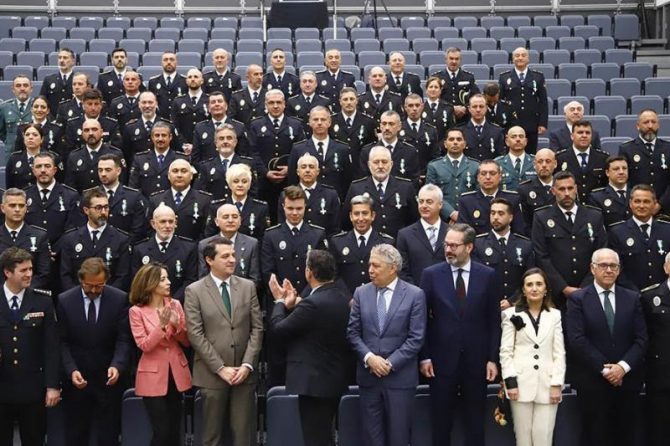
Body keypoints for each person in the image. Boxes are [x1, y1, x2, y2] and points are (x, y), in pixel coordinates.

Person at [420, 223, 501, 446]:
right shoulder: (431, 275)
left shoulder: (487, 275)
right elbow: (422, 320)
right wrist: (425, 356)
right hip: (440, 362)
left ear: (469, 247)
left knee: (475, 423)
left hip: (476, 362)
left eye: (454, 246)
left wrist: (492, 359)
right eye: (447, 244)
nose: (449, 250)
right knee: (441, 423)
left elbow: (494, 321)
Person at [184, 237, 263, 446]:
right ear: (209, 260)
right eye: (225, 256)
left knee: (244, 436)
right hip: (212, 375)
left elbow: (257, 329)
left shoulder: (247, 287)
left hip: (243, 374)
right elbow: (195, 334)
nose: (232, 260)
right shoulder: (195, 291)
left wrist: (247, 365)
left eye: (234, 255)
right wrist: (220, 368)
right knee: (212, 436)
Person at [566, 248, 648, 446]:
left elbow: (641, 339)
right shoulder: (578, 299)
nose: (609, 270)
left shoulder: (632, 298)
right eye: (603, 265)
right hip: (593, 382)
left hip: (627, 383)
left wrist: (622, 368)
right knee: (595, 437)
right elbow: (577, 339)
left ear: (619, 270)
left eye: (613, 266)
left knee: (626, 436)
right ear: (592, 269)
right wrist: (606, 370)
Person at [269, 249, 351, 446]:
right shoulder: (340, 297)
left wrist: (279, 302)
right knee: (324, 436)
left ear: (309, 272)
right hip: (333, 379)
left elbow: (279, 329)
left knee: (316, 438)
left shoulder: (313, 303)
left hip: (314, 383)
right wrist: (297, 302)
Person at [347, 244, 426, 446]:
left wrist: (390, 363)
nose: (370, 270)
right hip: (369, 379)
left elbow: (416, 338)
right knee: (371, 438)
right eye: (369, 265)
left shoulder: (414, 295)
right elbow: (353, 333)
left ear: (392, 268)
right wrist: (369, 358)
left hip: (400, 380)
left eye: (376, 265)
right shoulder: (360, 293)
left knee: (399, 437)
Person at [56, 257, 132, 446]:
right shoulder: (65, 300)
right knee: (76, 434)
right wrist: (71, 370)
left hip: (108, 380)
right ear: (81, 280)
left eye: (99, 286)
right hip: (77, 380)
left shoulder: (119, 298)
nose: (94, 290)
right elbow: (62, 342)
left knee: (108, 435)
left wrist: (117, 365)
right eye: (89, 285)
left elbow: (123, 339)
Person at [0, 247, 60, 446]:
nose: (29, 274)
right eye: (23, 270)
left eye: (31, 269)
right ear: (8, 273)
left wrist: (52, 386)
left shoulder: (42, 301)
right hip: (2, 385)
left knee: (34, 439)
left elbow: (51, 347)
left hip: (32, 388)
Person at [500, 268, 566, 446]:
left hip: (548, 384)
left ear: (546, 289)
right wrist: (511, 383)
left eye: (539, 284)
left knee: (543, 438)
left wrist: (556, 384)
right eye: (529, 285)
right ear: (523, 289)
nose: (534, 288)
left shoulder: (555, 316)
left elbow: (559, 353)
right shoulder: (510, 314)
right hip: (520, 385)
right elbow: (506, 352)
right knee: (523, 439)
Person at [129, 262, 192, 446]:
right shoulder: (136, 311)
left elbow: (186, 341)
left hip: (176, 373)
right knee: (161, 430)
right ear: (150, 283)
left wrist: (177, 325)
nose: (169, 282)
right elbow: (144, 345)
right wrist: (162, 326)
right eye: (163, 279)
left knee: (174, 431)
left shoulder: (175, 304)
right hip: (152, 376)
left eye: (167, 278)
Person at [531, 170, 608, 310]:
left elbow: (601, 251)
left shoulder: (594, 216)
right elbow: (541, 256)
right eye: (561, 189)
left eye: (570, 188)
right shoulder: (542, 217)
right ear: (553, 191)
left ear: (576, 189)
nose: (566, 193)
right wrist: (563, 287)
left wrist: (585, 286)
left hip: (589, 289)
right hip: (556, 293)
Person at [58, 188, 131, 291]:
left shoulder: (121, 239)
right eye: (98, 208)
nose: (103, 212)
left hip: (109, 298)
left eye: (106, 207)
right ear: (86, 210)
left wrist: (105, 295)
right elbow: (66, 275)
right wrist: (79, 296)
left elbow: (122, 277)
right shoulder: (71, 239)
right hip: (78, 298)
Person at [343, 146, 418, 238]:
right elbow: (346, 222)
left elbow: (414, 220)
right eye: (376, 162)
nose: (380, 166)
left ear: (391, 164)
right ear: (369, 164)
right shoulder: (356, 188)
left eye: (384, 162)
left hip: (398, 244)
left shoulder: (405, 187)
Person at [472, 197, 535, 309]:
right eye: (493, 213)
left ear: (510, 217)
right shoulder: (478, 244)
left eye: (501, 213)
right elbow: (476, 279)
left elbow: (529, 277)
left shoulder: (525, 244)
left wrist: (512, 301)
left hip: (518, 306)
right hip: (487, 306)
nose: (495, 217)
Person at [608, 184, 670, 291]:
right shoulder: (617, 232)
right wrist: (634, 293)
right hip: (631, 296)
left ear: (654, 204)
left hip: (664, 297)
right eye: (637, 201)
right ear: (630, 203)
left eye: (646, 201)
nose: (641, 206)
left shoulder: (667, 230)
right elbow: (617, 268)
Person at [329, 194, 395, 294]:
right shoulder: (337, 242)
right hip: (347, 301)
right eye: (356, 214)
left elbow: (391, 275)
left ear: (373, 216)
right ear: (351, 216)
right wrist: (347, 298)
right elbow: (333, 275)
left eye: (365, 213)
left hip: (377, 298)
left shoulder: (386, 242)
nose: (360, 218)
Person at [132, 205, 198, 303]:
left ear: (176, 223)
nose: (167, 226)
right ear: (153, 224)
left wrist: (172, 301)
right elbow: (138, 281)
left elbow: (190, 280)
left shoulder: (188, 248)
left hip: (178, 303)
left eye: (171, 222)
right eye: (163, 221)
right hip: (149, 303)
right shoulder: (140, 249)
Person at [287, 106, 352, 199]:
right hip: (306, 202)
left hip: (334, 202)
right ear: (309, 122)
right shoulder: (298, 149)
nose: (319, 123)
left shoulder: (342, 149)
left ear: (329, 122)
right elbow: (292, 180)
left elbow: (347, 180)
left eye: (323, 119)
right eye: (315, 119)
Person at [640, 253, 670, 446]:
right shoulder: (650, 297)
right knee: (658, 432)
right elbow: (643, 337)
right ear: (666, 268)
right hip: (660, 378)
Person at [619, 109, 670, 212]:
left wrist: (660, 204)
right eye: (646, 122)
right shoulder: (627, 149)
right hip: (637, 208)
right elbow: (624, 180)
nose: (650, 126)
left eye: (653, 122)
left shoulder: (668, 148)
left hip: (665, 208)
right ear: (638, 126)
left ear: (658, 125)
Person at [148, 158, 212, 241]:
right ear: (168, 175)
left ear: (191, 175)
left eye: (184, 171)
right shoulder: (155, 199)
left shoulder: (204, 200)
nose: (179, 175)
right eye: (175, 171)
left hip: (193, 250)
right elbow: (149, 230)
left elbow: (207, 232)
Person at [498, 47, 548, 154]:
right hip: (510, 123)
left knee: (531, 153)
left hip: (531, 122)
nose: (520, 58)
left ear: (528, 59)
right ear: (512, 59)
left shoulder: (538, 77)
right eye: (517, 56)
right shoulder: (504, 77)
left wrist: (542, 123)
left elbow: (543, 101)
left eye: (523, 55)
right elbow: (501, 102)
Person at [457, 159, 526, 236]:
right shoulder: (467, 201)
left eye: (492, 173)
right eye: (483, 174)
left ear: (500, 177)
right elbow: (463, 234)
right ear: (478, 178)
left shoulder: (512, 199)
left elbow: (518, 232)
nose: (488, 177)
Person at [198, 203, 261, 286]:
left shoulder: (252, 244)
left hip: (242, 295)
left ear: (240, 220)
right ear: (216, 221)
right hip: (213, 295)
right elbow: (203, 278)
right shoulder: (205, 245)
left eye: (235, 217)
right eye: (225, 217)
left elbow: (255, 279)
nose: (230, 220)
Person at [0, 187, 51, 289]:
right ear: (2, 208)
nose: (17, 209)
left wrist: (23, 290)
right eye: (12, 205)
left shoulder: (39, 236)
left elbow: (43, 273)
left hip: (29, 294)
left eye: (21, 206)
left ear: (26, 208)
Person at [425, 127, 479, 223]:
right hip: (442, 219)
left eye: (459, 139)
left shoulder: (476, 166)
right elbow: (431, 195)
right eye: (451, 139)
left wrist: (464, 214)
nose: (455, 142)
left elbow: (479, 194)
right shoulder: (434, 166)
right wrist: (451, 213)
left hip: (470, 218)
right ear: (445, 144)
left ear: (464, 144)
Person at [396, 184, 447, 284]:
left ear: (440, 204)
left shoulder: (452, 232)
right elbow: (403, 271)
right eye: (421, 201)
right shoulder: (405, 235)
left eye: (429, 202)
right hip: (416, 294)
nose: (424, 206)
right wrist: (416, 293)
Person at [281, 153, 341, 236]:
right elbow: (282, 226)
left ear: (318, 171)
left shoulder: (330, 194)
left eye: (311, 167)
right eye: (303, 167)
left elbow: (335, 228)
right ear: (297, 172)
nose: (307, 170)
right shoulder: (286, 194)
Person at [194, 122, 257, 201]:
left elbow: (253, 192)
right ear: (216, 143)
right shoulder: (206, 166)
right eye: (221, 138)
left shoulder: (247, 164)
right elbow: (202, 194)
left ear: (235, 142)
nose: (225, 142)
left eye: (229, 138)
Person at [358, 110, 420, 185]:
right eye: (384, 124)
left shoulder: (410, 151)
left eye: (391, 124)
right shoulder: (368, 151)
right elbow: (364, 181)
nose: (387, 128)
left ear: (399, 126)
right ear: (380, 126)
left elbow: (413, 181)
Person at [128, 121, 189, 198]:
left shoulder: (181, 159)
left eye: (163, 135)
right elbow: (133, 188)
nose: (160, 139)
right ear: (152, 137)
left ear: (170, 137)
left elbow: (187, 187)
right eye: (157, 135)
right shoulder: (140, 159)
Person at [64, 118, 124, 193]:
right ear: (82, 134)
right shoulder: (74, 156)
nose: (90, 133)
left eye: (94, 129)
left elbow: (122, 182)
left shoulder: (115, 154)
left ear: (101, 132)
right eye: (86, 130)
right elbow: (70, 187)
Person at [555, 120, 608, 204]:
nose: (584, 136)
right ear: (572, 136)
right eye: (580, 132)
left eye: (587, 133)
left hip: (596, 207)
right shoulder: (560, 158)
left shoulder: (602, 158)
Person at [191, 92, 249, 163]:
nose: (216, 104)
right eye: (213, 102)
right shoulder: (200, 128)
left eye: (220, 101)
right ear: (208, 108)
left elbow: (243, 155)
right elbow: (195, 158)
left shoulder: (239, 127)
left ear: (226, 106)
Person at [433, 47, 479, 124]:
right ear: (446, 59)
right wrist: (451, 108)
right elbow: (434, 98)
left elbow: (475, 97)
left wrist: (465, 108)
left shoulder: (468, 77)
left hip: (464, 119)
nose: (454, 61)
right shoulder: (437, 77)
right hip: (443, 119)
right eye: (451, 58)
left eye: (457, 59)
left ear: (460, 60)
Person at [587, 155, 631, 227]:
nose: (621, 172)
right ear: (607, 173)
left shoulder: (636, 194)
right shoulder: (597, 197)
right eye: (616, 169)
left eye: (624, 168)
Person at [517, 148, 557, 229]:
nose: (544, 165)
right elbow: (524, 223)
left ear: (555, 164)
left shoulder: (562, 187)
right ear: (534, 165)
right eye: (540, 161)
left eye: (548, 161)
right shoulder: (524, 189)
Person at [459, 94, 505, 161]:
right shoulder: (461, 131)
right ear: (469, 109)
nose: (478, 110)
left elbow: (501, 157)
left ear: (486, 108)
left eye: (481, 106)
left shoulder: (497, 131)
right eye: (474, 107)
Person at [400, 93, 440, 171]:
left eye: (417, 105)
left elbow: (436, 156)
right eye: (411, 106)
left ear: (422, 107)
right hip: (405, 175)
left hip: (426, 174)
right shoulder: (398, 129)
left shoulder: (431, 130)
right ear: (405, 108)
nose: (414, 109)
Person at [170, 68, 209, 147]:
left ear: (202, 80)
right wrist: (183, 144)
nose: (193, 79)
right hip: (183, 147)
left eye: (196, 77)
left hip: (205, 145)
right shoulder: (178, 101)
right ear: (186, 81)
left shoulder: (209, 100)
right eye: (190, 77)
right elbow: (174, 125)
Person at [0, 75, 33, 162]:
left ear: (31, 88)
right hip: (11, 154)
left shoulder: (38, 106)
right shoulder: (4, 107)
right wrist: (9, 141)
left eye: (25, 85)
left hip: (33, 154)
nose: (22, 88)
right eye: (18, 86)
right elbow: (1, 131)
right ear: (13, 89)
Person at [147, 51, 187, 120]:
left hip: (180, 120)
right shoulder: (153, 82)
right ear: (161, 63)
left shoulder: (185, 81)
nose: (168, 62)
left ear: (176, 62)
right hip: (160, 122)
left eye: (172, 59)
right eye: (165, 60)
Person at [495, 126, 536, 192]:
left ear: (526, 141)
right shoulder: (497, 163)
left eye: (521, 136)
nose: (518, 139)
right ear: (507, 141)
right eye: (513, 137)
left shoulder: (536, 162)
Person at [39, 47, 75, 111]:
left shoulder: (78, 80)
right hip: (53, 118)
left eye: (65, 58)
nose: (61, 60)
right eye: (59, 58)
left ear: (73, 61)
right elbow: (42, 101)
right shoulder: (49, 80)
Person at [423, 76, 455, 141]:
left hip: (443, 145)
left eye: (436, 87)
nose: (433, 89)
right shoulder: (420, 107)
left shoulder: (448, 108)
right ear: (426, 90)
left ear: (440, 90)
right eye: (431, 87)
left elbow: (451, 129)